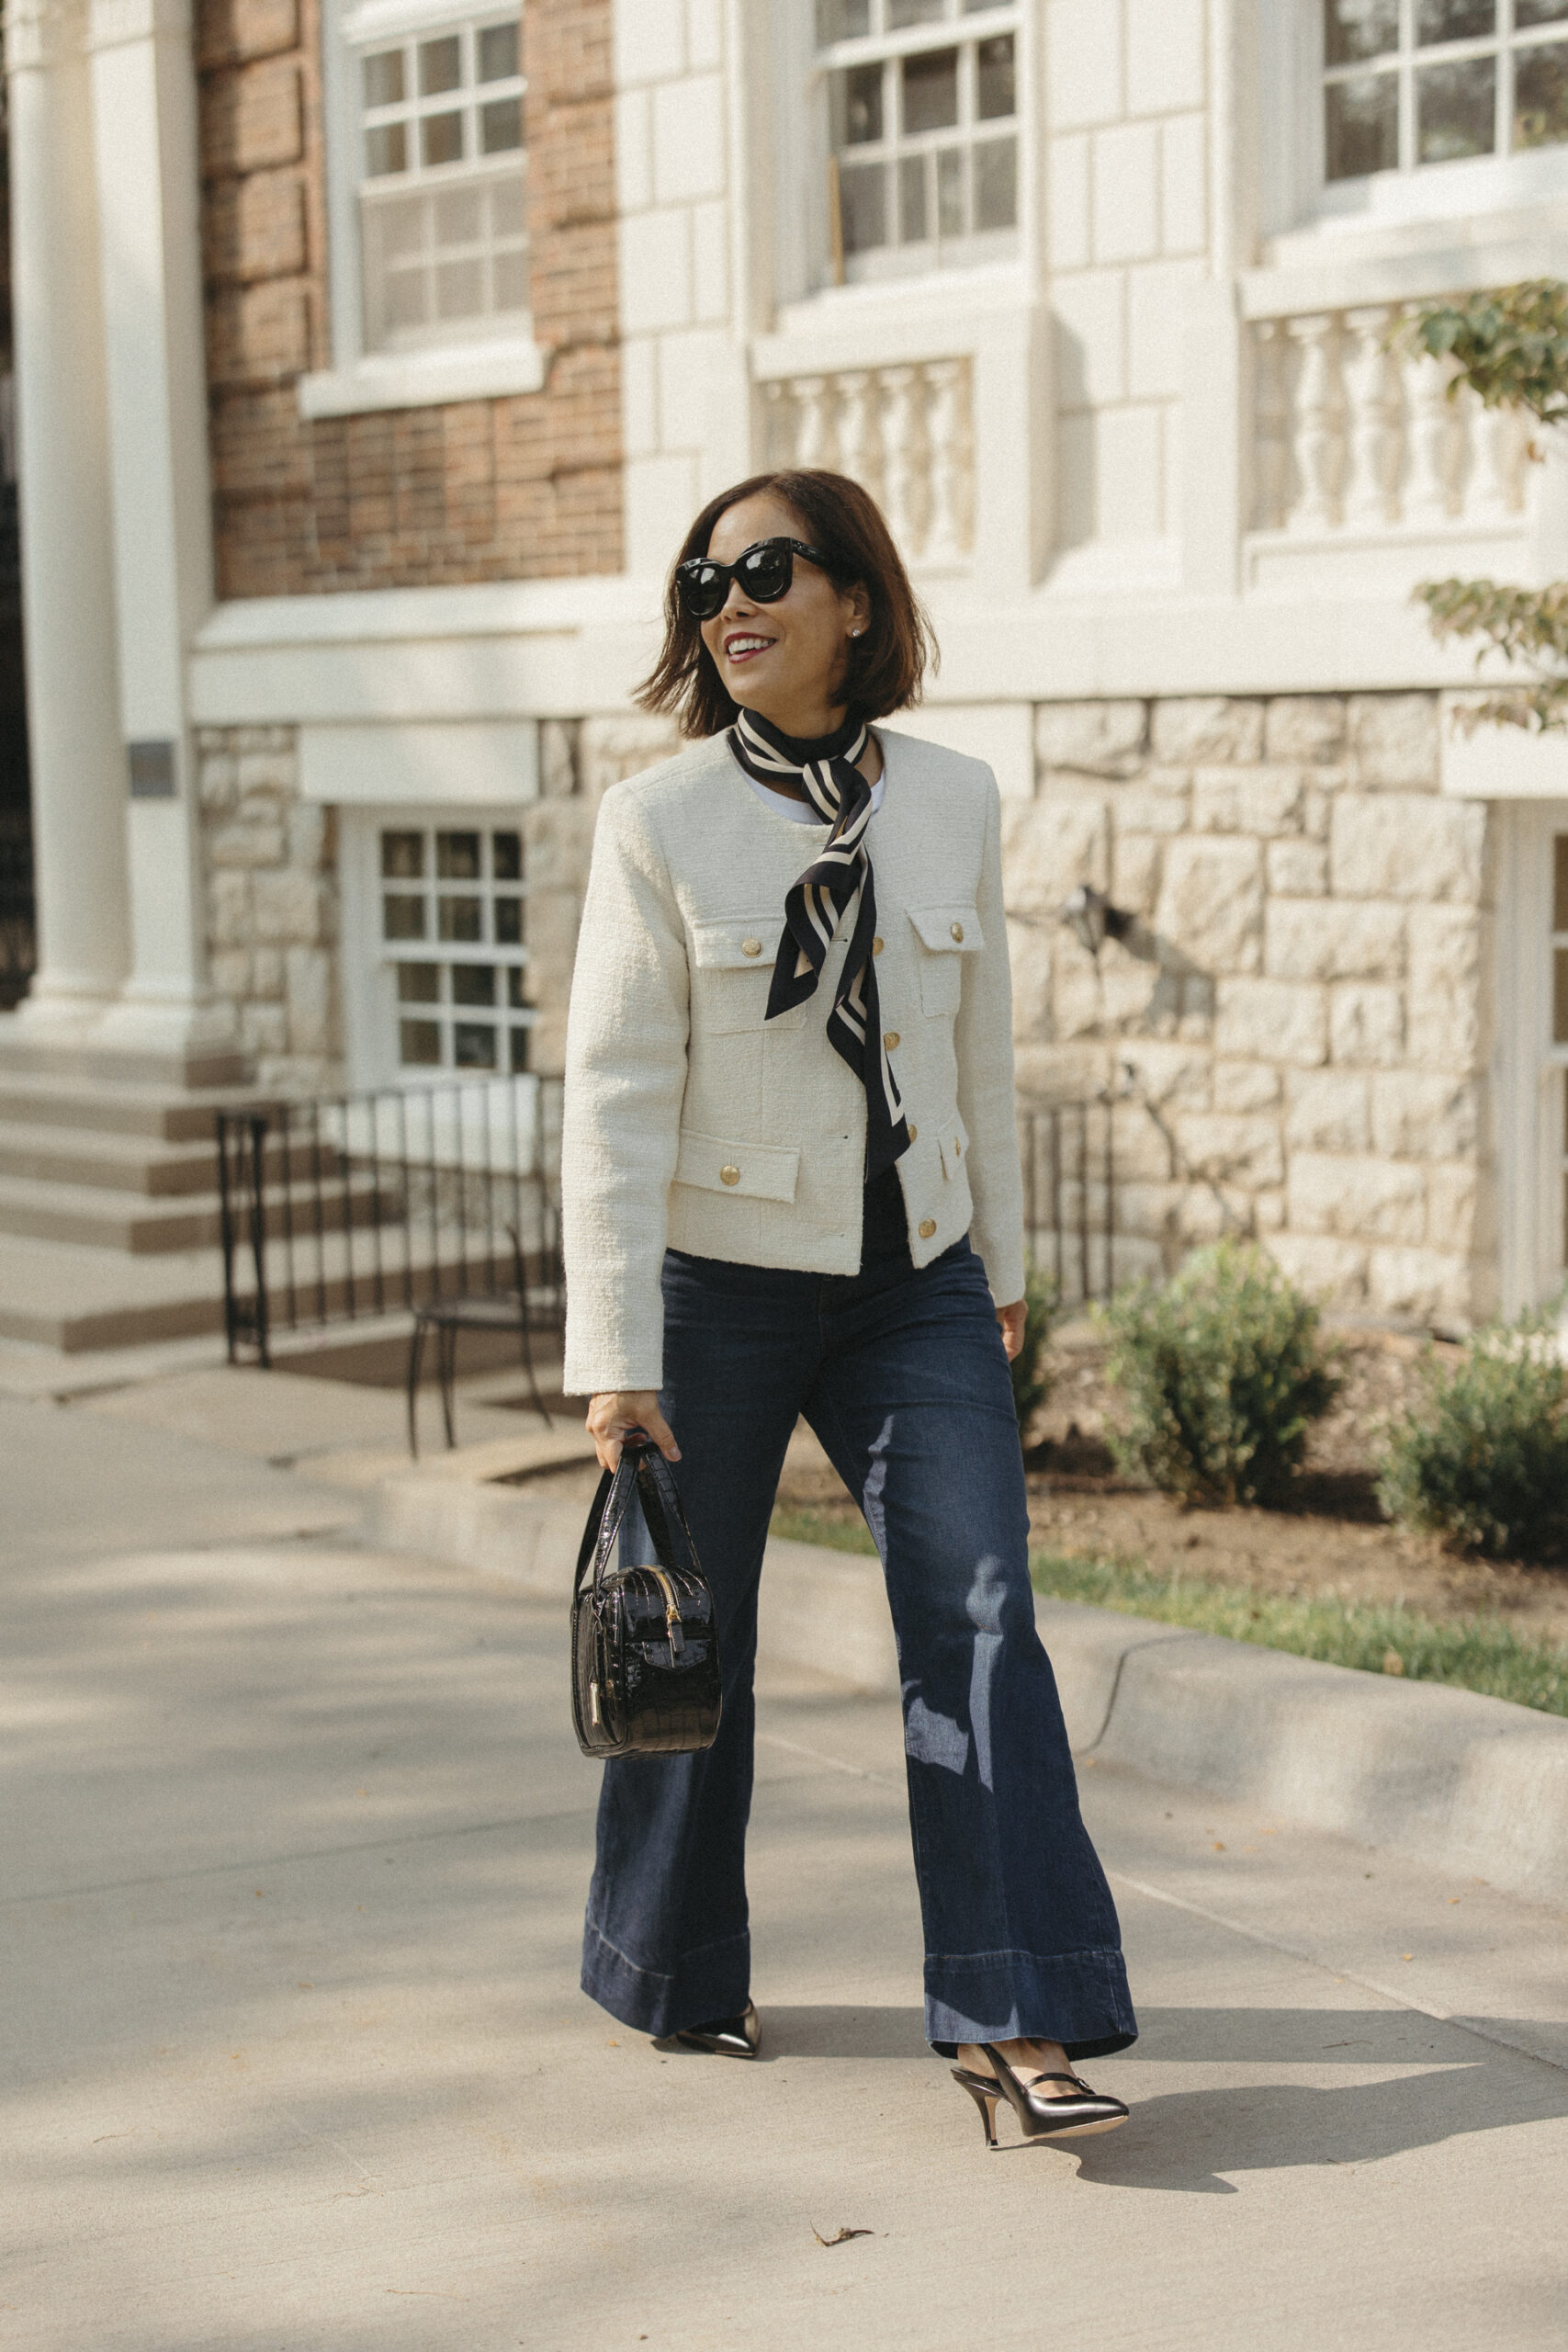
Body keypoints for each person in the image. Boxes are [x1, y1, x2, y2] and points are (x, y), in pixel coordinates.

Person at [560, 468, 1136, 2147]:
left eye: (766, 570)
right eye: (703, 583)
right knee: (696, 1634)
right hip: (717, 1292)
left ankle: (1016, 2017)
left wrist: (1002, 1269)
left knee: (980, 1615)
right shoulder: (657, 824)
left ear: (858, 601)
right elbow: (609, 1098)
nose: (727, 603)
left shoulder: (954, 796)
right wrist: (616, 1357)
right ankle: (674, 1964)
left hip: (918, 1290)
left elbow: (979, 1052)